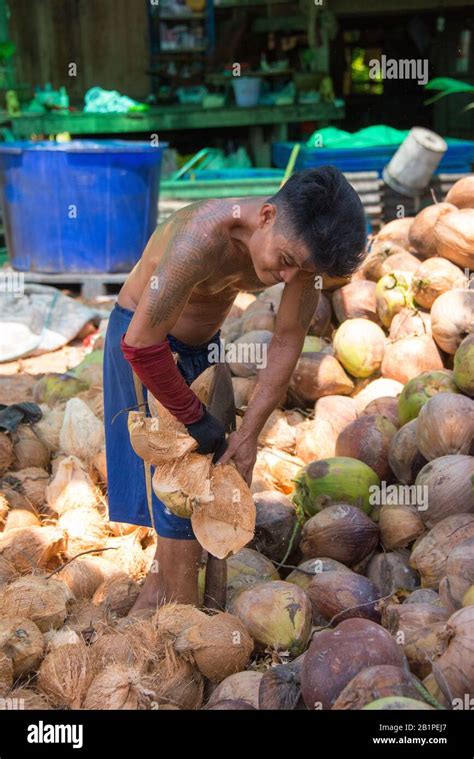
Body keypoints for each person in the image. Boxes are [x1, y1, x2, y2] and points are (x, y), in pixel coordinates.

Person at [103, 165, 367, 613]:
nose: (289, 278)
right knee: (177, 492)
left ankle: (162, 594)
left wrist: (250, 436)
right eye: (286, 261)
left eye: (302, 269)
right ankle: (178, 620)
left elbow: (287, 340)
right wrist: (193, 416)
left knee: (208, 481)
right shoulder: (199, 239)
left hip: (203, 347)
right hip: (144, 346)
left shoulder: (298, 252)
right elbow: (141, 345)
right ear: (266, 216)